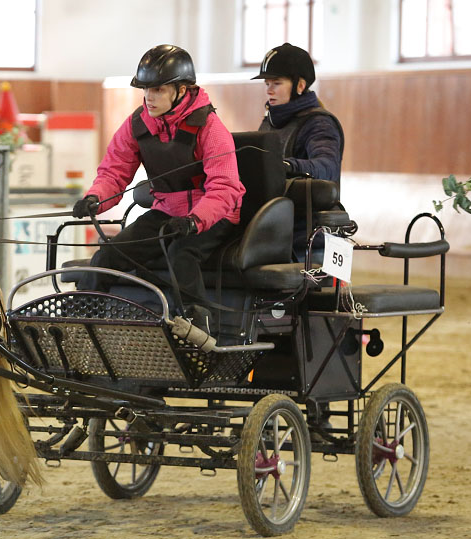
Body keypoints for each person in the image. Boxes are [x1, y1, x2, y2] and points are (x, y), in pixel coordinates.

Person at [72, 44, 245, 334]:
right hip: (166, 214)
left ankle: (200, 331)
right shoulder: (137, 125)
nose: (149, 98)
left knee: (181, 255)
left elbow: (225, 188)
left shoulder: (211, 128)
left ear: (182, 90)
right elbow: (114, 171)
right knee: (106, 257)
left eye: (158, 90)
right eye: (146, 90)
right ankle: (79, 328)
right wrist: (95, 198)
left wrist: (194, 220)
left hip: (212, 216)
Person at [253, 42, 343, 260]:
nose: (269, 90)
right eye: (267, 83)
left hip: (310, 236)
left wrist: (286, 165)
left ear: (300, 85)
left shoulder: (319, 123)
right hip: (278, 227)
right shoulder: (271, 121)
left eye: (277, 83)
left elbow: (326, 166)